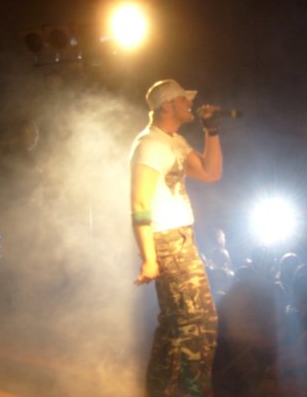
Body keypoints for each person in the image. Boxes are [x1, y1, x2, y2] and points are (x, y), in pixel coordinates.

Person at [129, 79, 223, 396]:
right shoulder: (149, 144)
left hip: (182, 239)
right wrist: (149, 258)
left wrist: (212, 131)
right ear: (167, 105)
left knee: (182, 326)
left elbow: (210, 173)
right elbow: (139, 202)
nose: (190, 103)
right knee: (194, 327)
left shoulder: (175, 141)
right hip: (167, 240)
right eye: (184, 99)